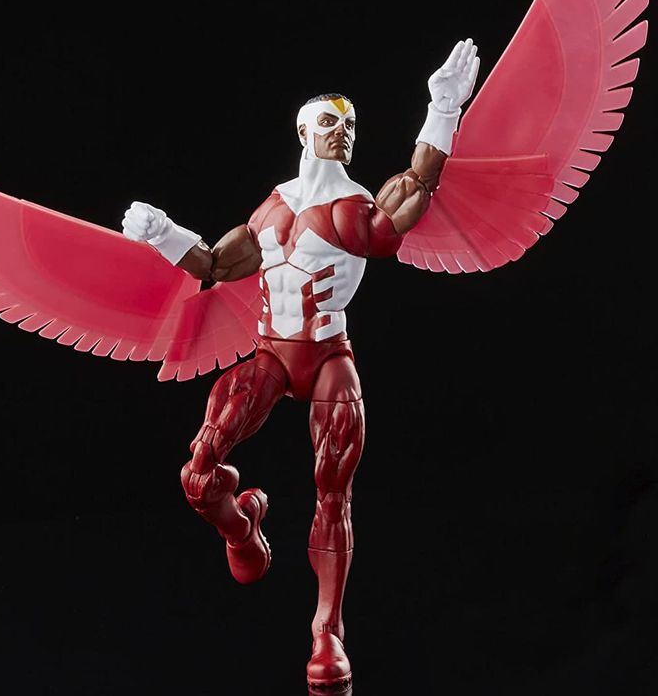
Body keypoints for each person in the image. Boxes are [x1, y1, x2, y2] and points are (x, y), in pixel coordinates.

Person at [121, 39, 480, 690]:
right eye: (329, 121)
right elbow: (213, 265)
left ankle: (327, 632)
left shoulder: (355, 208)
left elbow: (417, 187)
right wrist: (162, 232)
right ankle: (242, 530)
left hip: (329, 358)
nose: (342, 130)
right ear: (303, 131)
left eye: (349, 123)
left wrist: (444, 108)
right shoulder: (272, 208)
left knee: (332, 492)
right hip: (270, 356)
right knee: (198, 473)